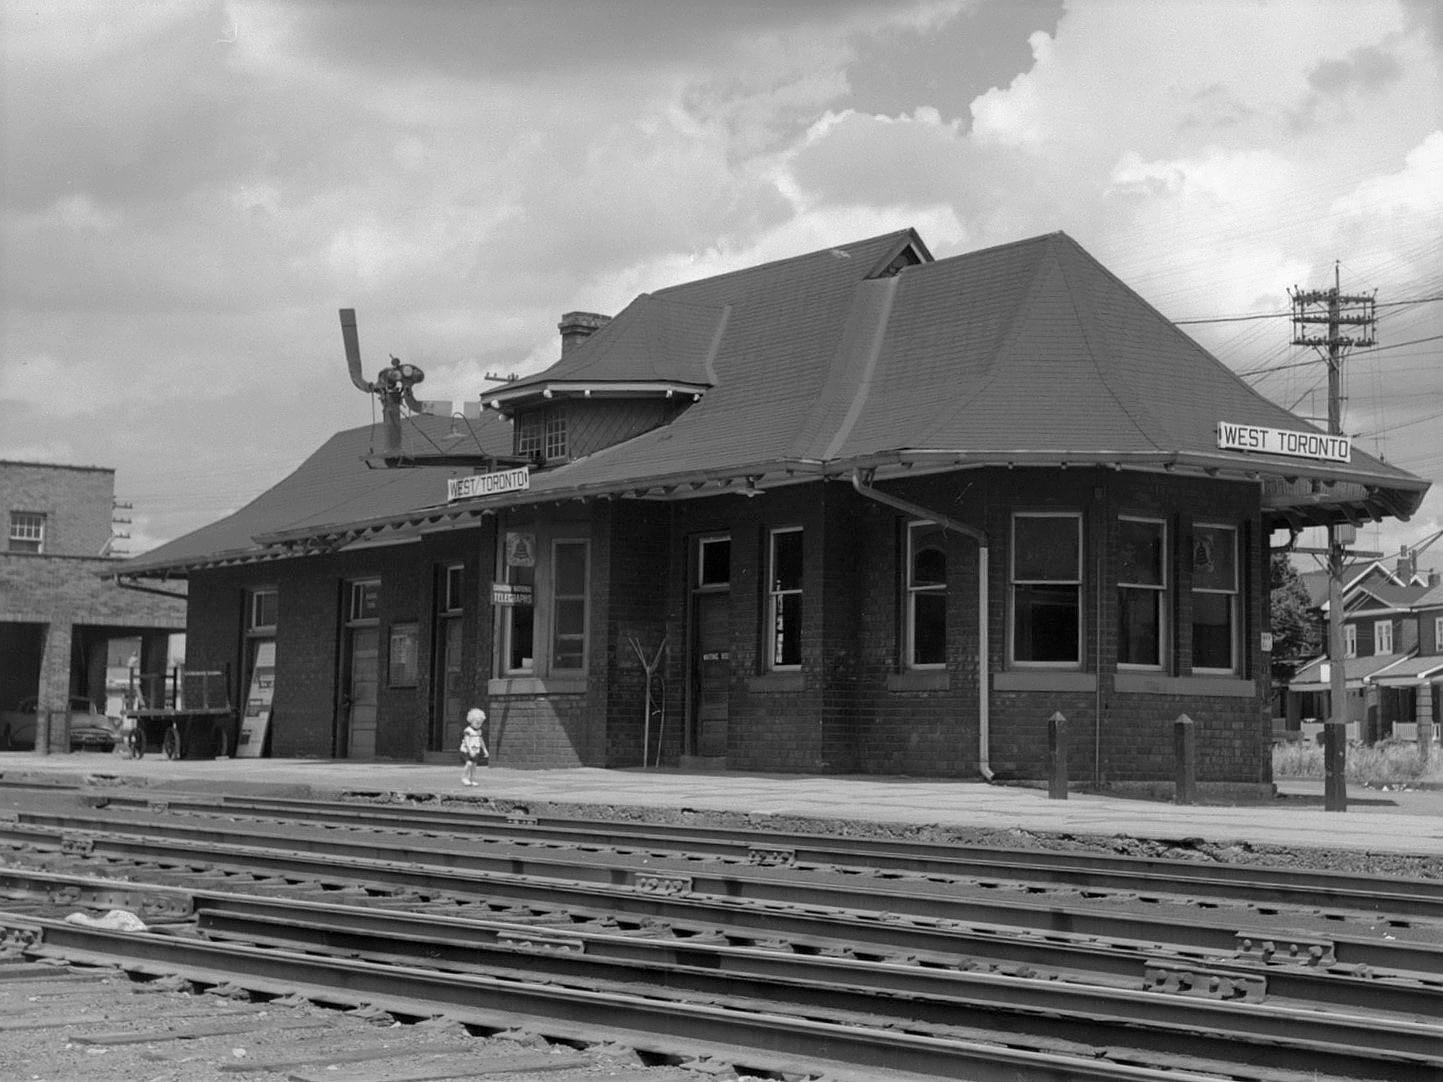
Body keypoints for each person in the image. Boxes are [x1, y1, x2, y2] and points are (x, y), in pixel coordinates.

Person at [460, 708, 489, 786]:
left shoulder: (479, 731)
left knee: (474, 765)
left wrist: (485, 750)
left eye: (480, 723)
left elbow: (481, 740)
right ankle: (464, 778)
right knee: (469, 763)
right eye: (477, 723)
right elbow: (467, 741)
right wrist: (470, 750)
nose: (479, 725)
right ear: (471, 721)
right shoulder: (468, 730)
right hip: (466, 750)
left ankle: (472, 778)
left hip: (475, 750)